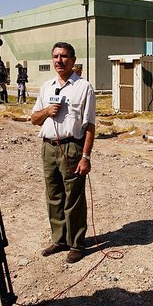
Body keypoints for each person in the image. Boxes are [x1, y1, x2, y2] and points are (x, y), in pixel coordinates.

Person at [31, 42, 96, 264]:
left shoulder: (83, 87)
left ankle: (77, 243)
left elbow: (89, 126)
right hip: (48, 147)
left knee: (74, 198)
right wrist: (47, 111)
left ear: (73, 60)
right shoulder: (46, 86)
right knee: (54, 195)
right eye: (56, 56)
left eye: (64, 56)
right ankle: (59, 240)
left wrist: (85, 157)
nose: (59, 60)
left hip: (72, 147)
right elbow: (33, 119)